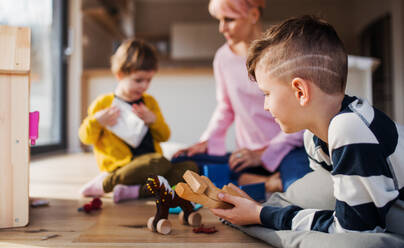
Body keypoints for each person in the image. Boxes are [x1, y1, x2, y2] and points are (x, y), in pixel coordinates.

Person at [210, 15, 404, 234]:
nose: (265, 105)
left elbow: (353, 232)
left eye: (267, 93)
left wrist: (261, 215)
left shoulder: (350, 128)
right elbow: (325, 200)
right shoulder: (313, 137)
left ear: (300, 91)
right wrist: (260, 209)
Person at [173, 0, 310, 192]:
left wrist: (263, 153)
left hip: (287, 150)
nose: (222, 28)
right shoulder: (222, 58)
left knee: (300, 189)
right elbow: (226, 107)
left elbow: (302, 116)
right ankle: (268, 182)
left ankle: (262, 182)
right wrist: (205, 142)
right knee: (182, 163)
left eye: (229, 19)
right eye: (219, 20)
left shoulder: (283, 54)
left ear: (253, 15)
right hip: (247, 154)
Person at [78, 39, 198, 203]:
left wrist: (153, 120)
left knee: (190, 169)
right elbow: (86, 138)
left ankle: (134, 192)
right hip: (124, 168)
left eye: (149, 80)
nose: (144, 86)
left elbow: (164, 136)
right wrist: (96, 121)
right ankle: (106, 183)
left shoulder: (149, 102)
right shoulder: (103, 104)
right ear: (120, 75)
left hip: (152, 166)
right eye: (138, 80)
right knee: (157, 162)